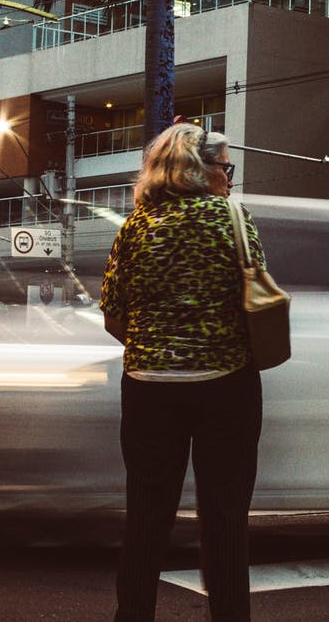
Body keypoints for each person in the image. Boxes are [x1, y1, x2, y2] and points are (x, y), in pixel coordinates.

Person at [101, 122, 265, 621]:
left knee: (147, 517)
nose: (230, 178)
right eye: (225, 167)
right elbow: (255, 299)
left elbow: (113, 314)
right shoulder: (231, 219)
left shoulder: (137, 226)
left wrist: (158, 350)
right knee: (224, 519)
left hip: (149, 390)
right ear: (201, 169)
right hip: (227, 387)